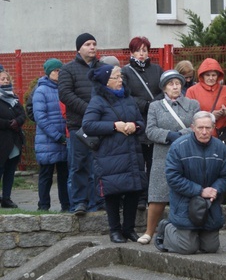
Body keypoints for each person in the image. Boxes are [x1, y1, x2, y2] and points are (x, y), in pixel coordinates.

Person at [82, 65, 147, 243]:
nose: (121, 80)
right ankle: (115, 230)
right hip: (110, 153)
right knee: (113, 193)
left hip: (131, 152)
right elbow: (88, 125)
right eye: (116, 77)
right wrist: (114, 126)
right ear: (106, 81)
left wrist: (136, 126)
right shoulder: (98, 101)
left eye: (120, 77)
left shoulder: (128, 98)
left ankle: (129, 229)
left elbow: (141, 121)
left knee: (133, 191)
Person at [155, 111, 226, 254]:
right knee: (188, 248)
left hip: (209, 205)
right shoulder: (178, 146)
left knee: (210, 248)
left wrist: (215, 189)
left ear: (213, 127)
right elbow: (172, 177)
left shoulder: (220, 148)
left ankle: (196, 235)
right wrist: (199, 191)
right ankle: (167, 228)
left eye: (208, 128)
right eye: (200, 128)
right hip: (184, 203)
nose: (204, 132)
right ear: (192, 127)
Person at [140, 70, 200, 245]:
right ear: (164, 87)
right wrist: (168, 135)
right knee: (158, 194)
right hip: (162, 155)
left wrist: (180, 134)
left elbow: (197, 125)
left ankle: (189, 231)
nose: (175, 87)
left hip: (187, 153)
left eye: (178, 83)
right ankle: (149, 231)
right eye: (171, 84)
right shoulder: (155, 106)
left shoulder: (193, 104)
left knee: (187, 192)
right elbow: (150, 130)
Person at [58, 32, 104, 215]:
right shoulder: (68, 69)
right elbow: (65, 94)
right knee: (79, 165)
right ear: (79, 48)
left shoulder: (103, 68)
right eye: (87, 44)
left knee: (98, 166)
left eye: (94, 43)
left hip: (101, 125)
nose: (92, 47)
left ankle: (98, 201)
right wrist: (91, 110)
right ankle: (79, 202)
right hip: (79, 126)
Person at [122, 36, 164, 211]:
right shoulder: (126, 72)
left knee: (155, 162)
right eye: (138, 50)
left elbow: (165, 89)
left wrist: (155, 104)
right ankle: (140, 197)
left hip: (156, 122)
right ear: (132, 52)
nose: (141, 53)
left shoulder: (157, 69)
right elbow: (125, 94)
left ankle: (154, 196)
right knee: (138, 163)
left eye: (144, 50)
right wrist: (144, 104)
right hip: (137, 121)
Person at [33, 58, 70, 212]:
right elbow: (40, 118)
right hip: (48, 141)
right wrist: (57, 136)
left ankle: (66, 205)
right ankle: (43, 205)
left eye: (60, 70)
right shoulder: (41, 91)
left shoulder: (65, 89)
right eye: (55, 70)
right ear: (48, 72)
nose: (58, 73)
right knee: (46, 174)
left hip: (64, 139)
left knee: (64, 175)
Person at [0, 71, 26, 208]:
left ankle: (6, 198)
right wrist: (7, 124)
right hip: (2, 142)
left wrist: (17, 121)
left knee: (10, 171)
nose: (5, 81)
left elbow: (22, 114)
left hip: (14, 141)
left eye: (7, 79)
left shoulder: (14, 98)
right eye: (2, 79)